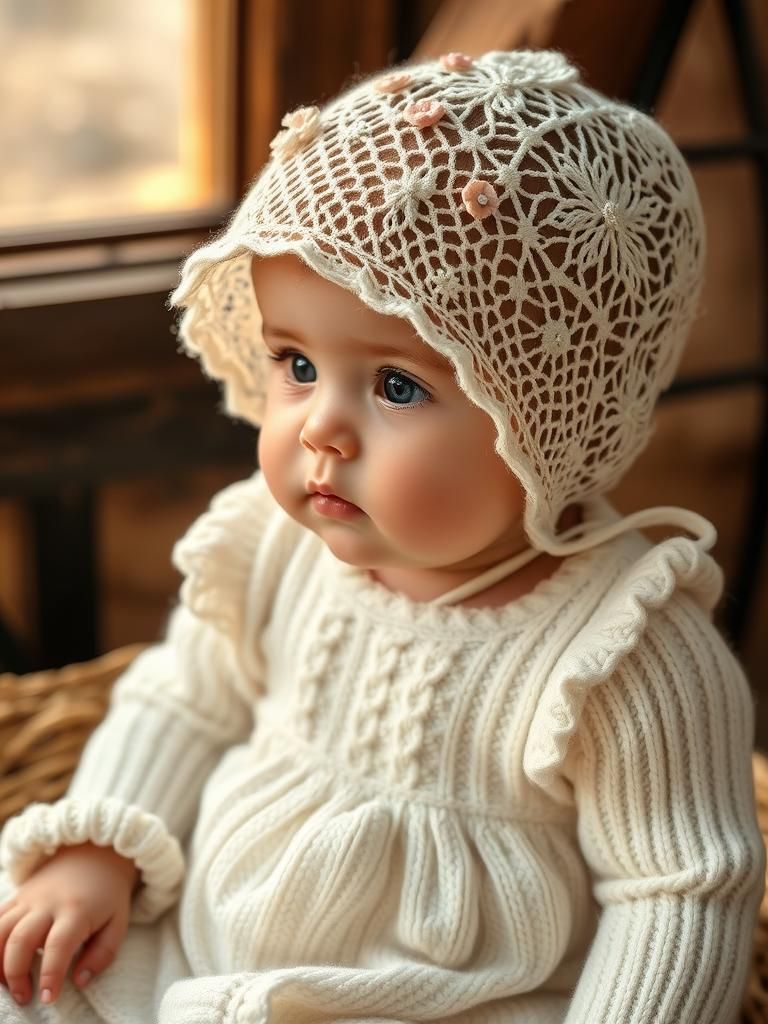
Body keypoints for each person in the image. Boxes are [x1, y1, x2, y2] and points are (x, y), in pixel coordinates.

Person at [0, 48, 763, 1024]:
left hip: (452, 1001)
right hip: (199, 955)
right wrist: (94, 853)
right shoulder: (274, 549)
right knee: (33, 964)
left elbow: (679, 892)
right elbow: (182, 700)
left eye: (398, 385)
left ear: (548, 419)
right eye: (296, 362)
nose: (319, 426)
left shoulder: (624, 648)